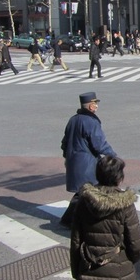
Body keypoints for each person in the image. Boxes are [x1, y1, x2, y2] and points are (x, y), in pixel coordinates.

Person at [60, 92, 116, 226]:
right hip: (87, 163)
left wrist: (68, 157)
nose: (96, 106)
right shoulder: (91, 121)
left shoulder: (73, 119)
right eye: (95, 103)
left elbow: (64, 142)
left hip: (74, 160)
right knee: (88, 190)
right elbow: (99, 144)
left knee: (84, 191)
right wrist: (113, 156)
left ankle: (70, 220)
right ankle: (71, 220)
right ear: (90, 106)